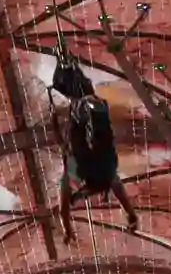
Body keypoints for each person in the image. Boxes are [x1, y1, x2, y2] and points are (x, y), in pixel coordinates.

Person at [50, 61, 139, 244]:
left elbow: (64, 210)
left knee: (89, 138)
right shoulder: (85, 177)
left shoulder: (76, 177)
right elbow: (64, 210)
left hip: (92, 156)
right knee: (92, 139)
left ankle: (94, 109)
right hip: (94, 158)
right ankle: (93, 109)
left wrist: (68, 231)